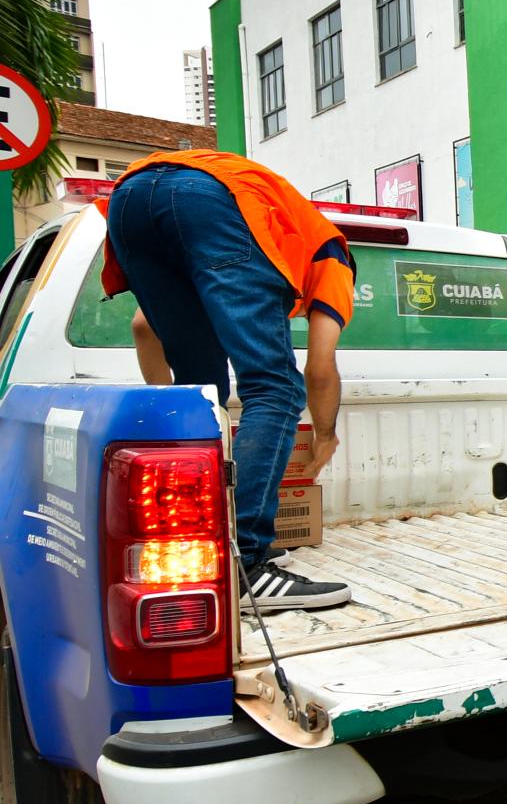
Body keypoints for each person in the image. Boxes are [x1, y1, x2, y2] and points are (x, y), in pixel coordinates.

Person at [103, 150, 355, 612]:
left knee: (202, 388)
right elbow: (319, 368)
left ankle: (204, 542)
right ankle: (247, 565)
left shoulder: (283, 227)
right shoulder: (331, 252)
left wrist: (175, 404)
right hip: (213, 197)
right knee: (274, 386)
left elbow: (143, 326)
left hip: (128, 194)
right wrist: (324, 435)